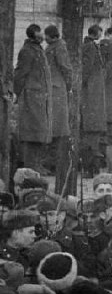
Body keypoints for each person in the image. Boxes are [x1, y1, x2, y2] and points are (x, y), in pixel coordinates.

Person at [13, 24, 53, 174]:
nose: (43, 35)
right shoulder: (27, 51)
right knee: (31, 133)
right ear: (35, 34)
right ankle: (30, 167)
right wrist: (17, 93)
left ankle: (36, 164)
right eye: (40, 32)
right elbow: (20, 74)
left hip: (39, 97)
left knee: (39, 132)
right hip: (31, 97)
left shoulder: (36, 49)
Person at [43, 24, 73, 189]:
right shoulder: (53, 46)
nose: (45, 39)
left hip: (57, 90)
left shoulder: (59, 48)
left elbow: (66, 68)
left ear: (51, 36)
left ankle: (53, 165)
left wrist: (67, 87)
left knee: (58, 129)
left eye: (46, 36)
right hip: (53, 89)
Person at [81, 24, 107, 175]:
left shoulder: (91, 46)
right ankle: (90, 168)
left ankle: (92, 167)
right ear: (96, 33)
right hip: (92, 95)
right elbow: (87, 68)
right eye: (100, 33)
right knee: (92, 135)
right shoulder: (90, 47)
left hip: (94, 94)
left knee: (93, 135)